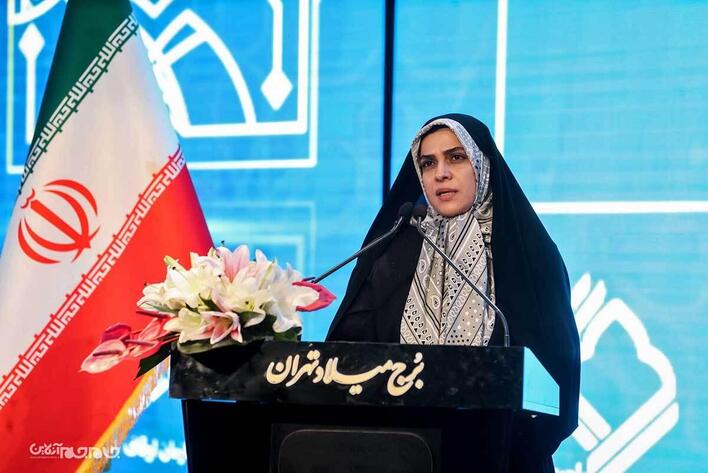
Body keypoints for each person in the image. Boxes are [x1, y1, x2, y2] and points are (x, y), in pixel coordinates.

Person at [326, 113, 580, 472]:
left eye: (456, 157)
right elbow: (348, 353)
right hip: (400, 454)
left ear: (482, 164)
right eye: (428, 163)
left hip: (504, 458)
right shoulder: (392, 250)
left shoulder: (527, 253)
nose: (440, 173)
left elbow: (558, 369)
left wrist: (510, 445)